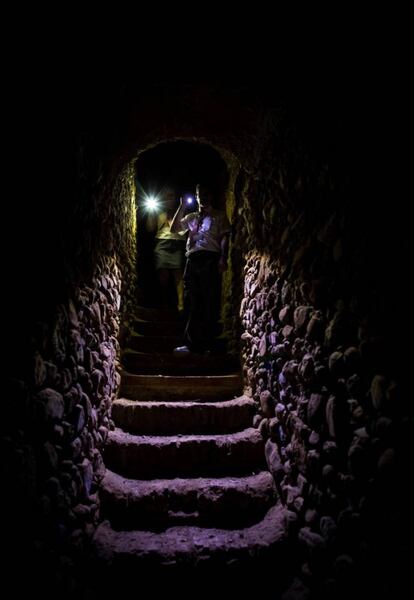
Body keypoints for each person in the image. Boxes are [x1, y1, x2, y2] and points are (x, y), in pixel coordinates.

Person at [170, 183, 231, 354]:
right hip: (193, 259)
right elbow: (174, 229)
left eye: (205, 194)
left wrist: (223, 258)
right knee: (191, 301)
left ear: (211, 196)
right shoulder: (191, 217)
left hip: (210, 259)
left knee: (209, 301)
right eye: (199, 194)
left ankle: (208, 344)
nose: (202, 197)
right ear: (196, 196)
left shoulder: (219, 216)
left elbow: (225, 237)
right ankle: (190, 344)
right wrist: (182, 206)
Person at [146, 185, 186, 312]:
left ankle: (181, 305)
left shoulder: (182, 211)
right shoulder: (159, 212)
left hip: (178, 243)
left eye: (171, 196)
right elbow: (150, 228)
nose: (169, 199)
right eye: (166, 196)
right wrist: (151, 212)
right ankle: (164, 303)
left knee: (178, 275)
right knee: (163, 276)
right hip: (162, 244)